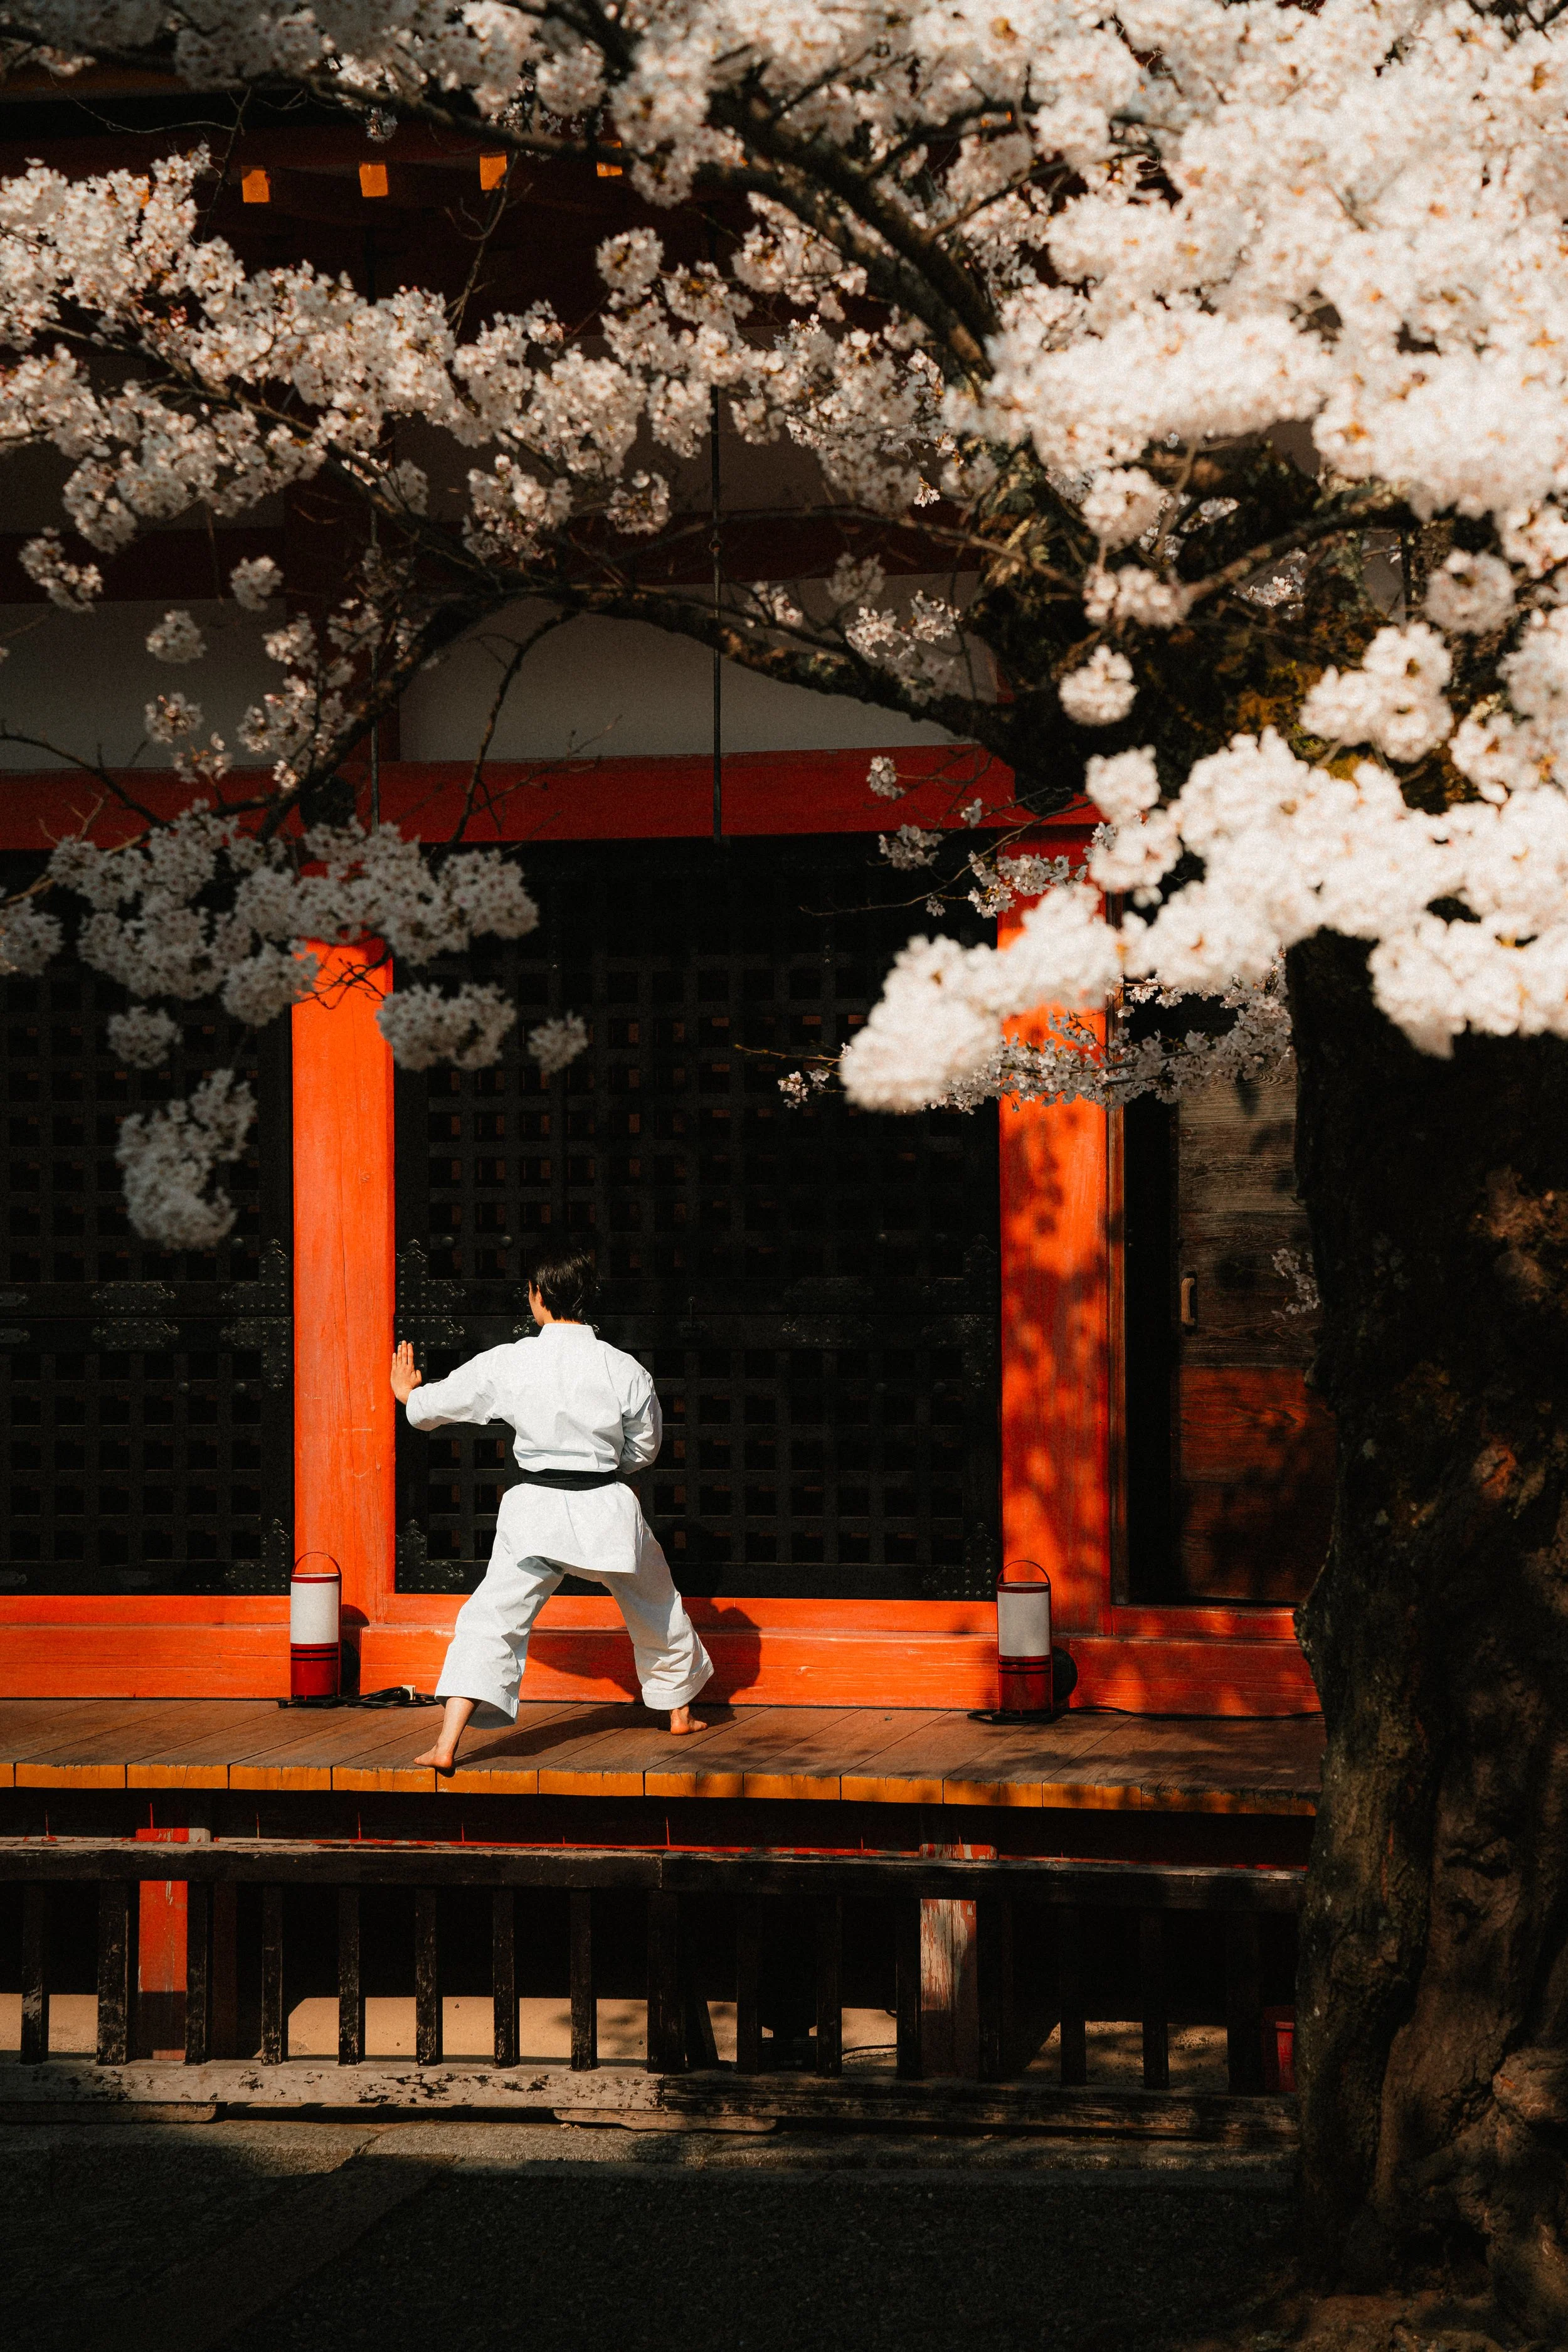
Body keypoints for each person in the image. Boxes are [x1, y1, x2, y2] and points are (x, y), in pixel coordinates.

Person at [389, 1245, 712, 1771]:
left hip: (536, 1514)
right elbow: (645, 1448)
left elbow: (438, 1406)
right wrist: (603, 1466)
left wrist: (409, 1395)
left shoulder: (511, 1360)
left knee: (491, 1619)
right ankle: (678, 1712)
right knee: (658, 1606)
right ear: (587, 1297)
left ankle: (447, 1743)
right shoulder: (623, 1368)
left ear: (537, 1295)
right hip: (606, 1511)